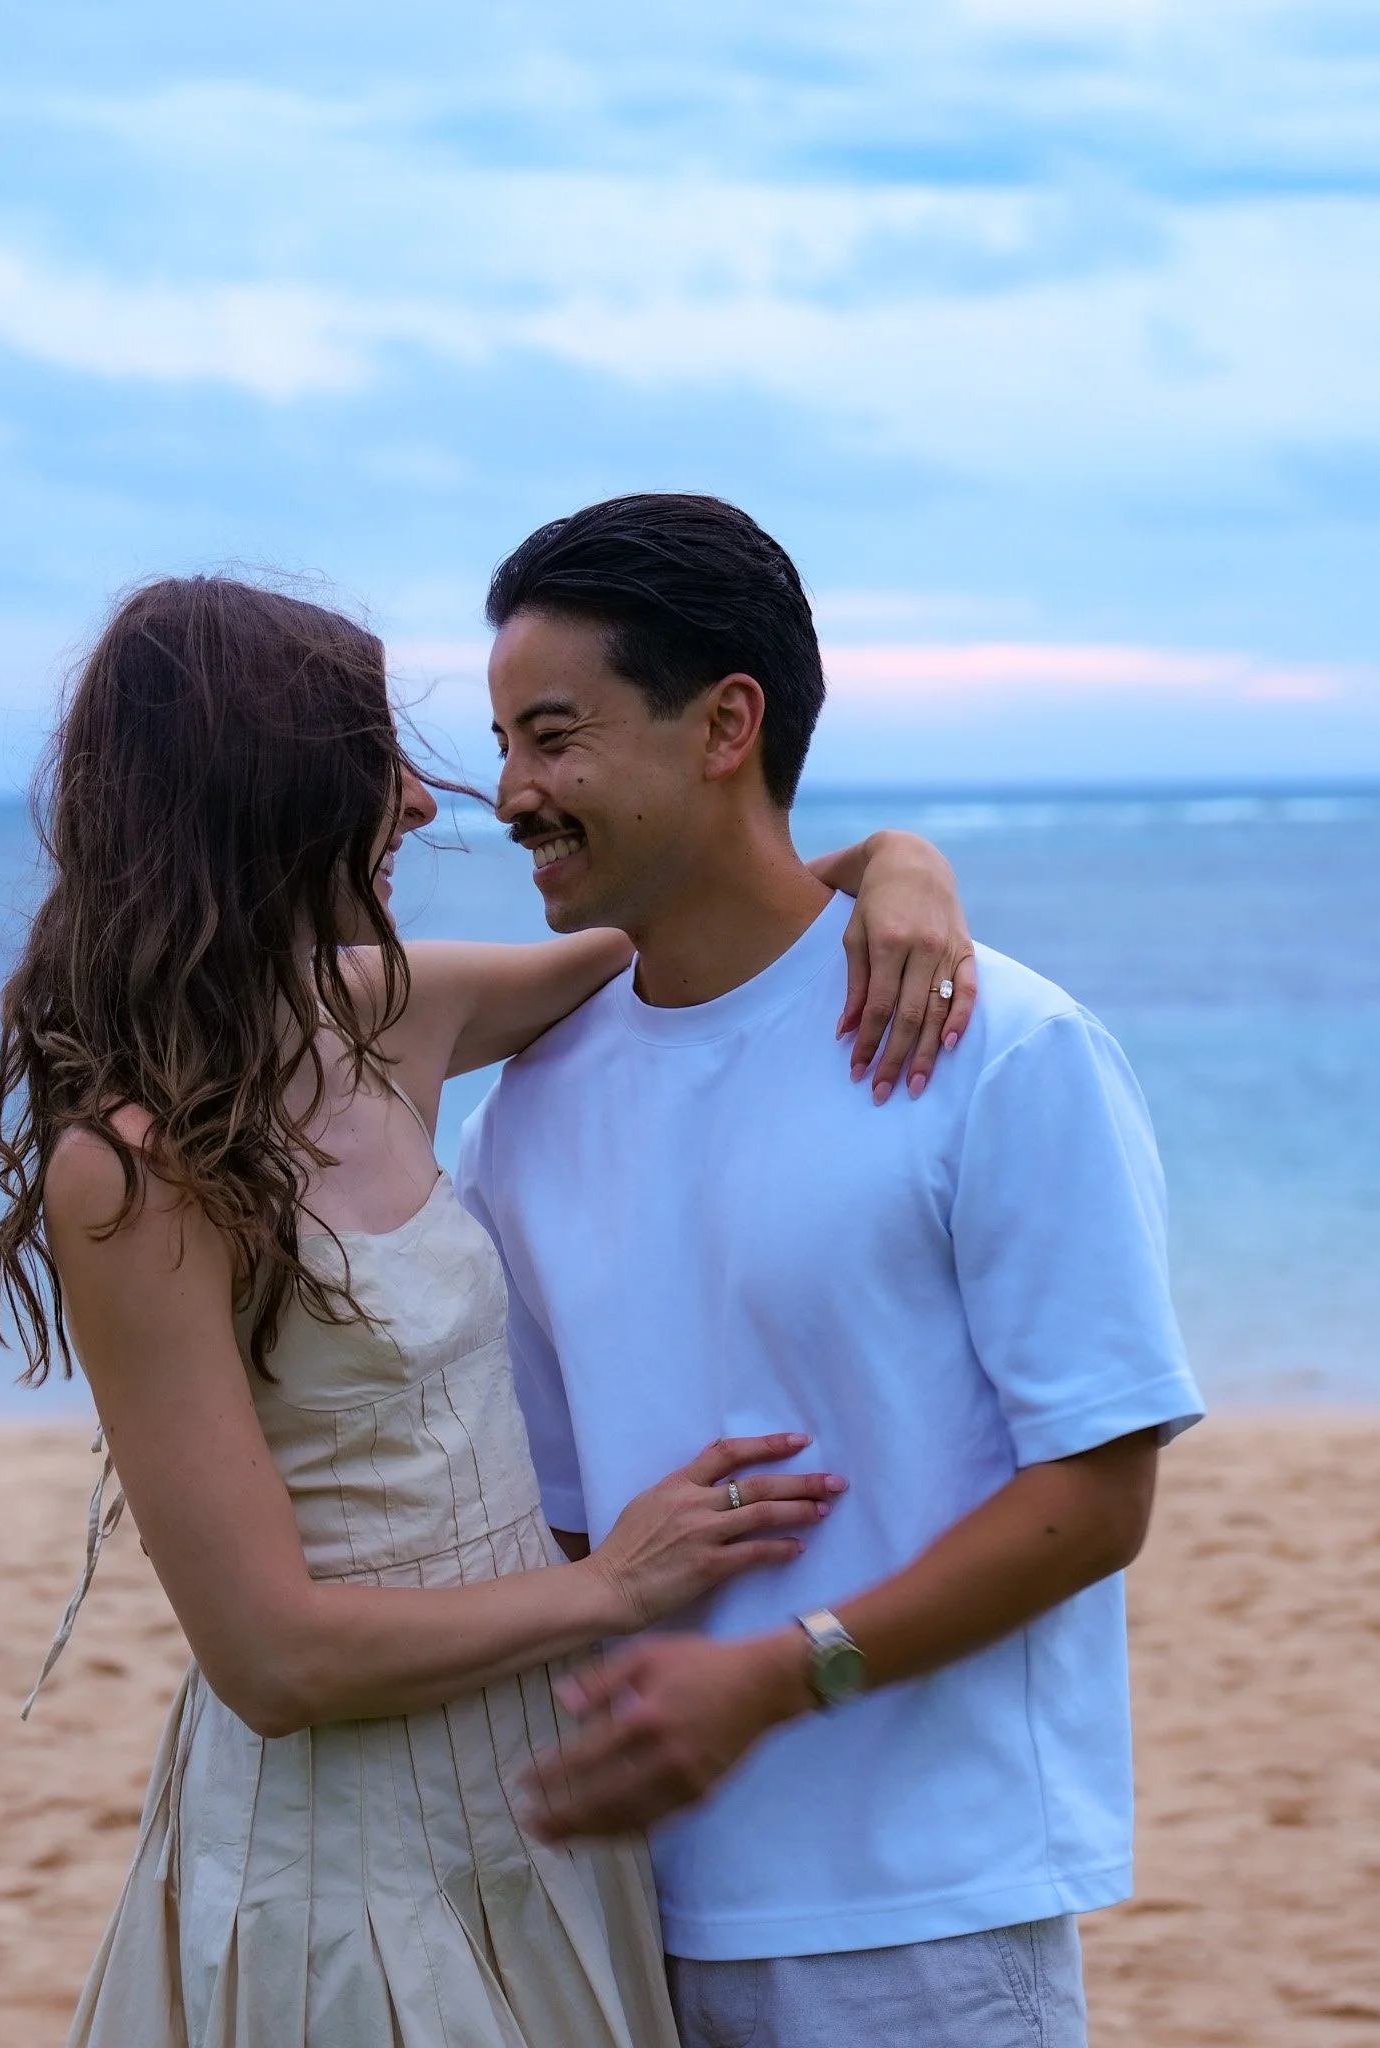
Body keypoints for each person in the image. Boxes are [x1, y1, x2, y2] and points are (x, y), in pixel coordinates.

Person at [0, 573, 978, 2047]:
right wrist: (613, 1588)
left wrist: (903, 861)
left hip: (536, 1791)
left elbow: (706, 925)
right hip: (340, 1843)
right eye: (373, 766)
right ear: (269, 791)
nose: (426, 807)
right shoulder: (128, 1171)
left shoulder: (385, 1012)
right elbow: (271, 1660)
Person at [455, 494, 1206, 2048]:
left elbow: (1096, 1494)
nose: (510, 793)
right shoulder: (521, 1110)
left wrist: (777, 1678)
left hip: (921, 1913)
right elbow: (566, 1517)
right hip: (613, 1912)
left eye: (552, 736)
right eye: (504, 742)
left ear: (725, 722)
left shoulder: (1000, 1046)